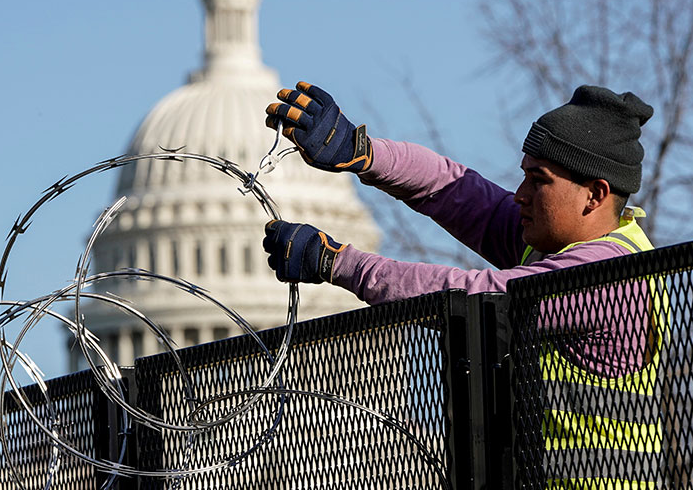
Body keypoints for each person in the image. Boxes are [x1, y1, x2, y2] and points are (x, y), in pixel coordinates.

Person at [262, 81, 666, 488]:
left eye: (539, 181)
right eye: (523, 176)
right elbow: (450, 187)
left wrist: (340, 263)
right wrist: (362, 152)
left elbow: (479, 297)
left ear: (595, 195)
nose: (520, 195)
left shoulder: (609, 275)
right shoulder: (552, 249)